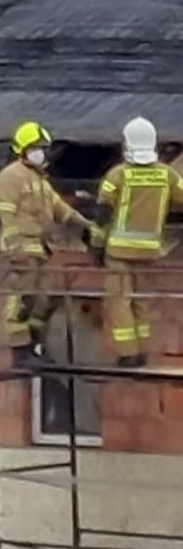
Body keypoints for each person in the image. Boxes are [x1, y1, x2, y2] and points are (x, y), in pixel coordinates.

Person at [0, 121, 92, 368]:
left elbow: (61, 209)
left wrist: (87, 226)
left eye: (43, 148)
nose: (41, 153)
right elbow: (5, 213)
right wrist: (14, 245)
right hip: (22, 246)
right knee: (22, 296)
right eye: (35, 148)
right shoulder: (11, 176)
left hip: (40, 247)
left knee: (42, 297)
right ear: (22, 149)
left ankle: (33, 344)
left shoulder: (40, 181)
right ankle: (19, 350)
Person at [90, 117, 183, 367]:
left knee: (119, 301)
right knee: (142, 301)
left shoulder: (116, 175)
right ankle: (142, 351)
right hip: (150, 252)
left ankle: (128, 354)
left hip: (119, 252)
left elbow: (102, 215)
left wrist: (96, 246)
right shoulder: (168, 175)